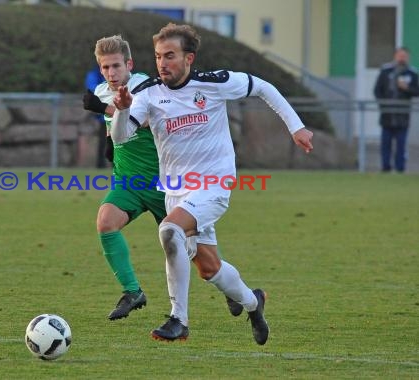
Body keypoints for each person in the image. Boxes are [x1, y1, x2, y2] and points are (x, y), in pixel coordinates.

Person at [111, 23, 314, 344]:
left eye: (170, 56)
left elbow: (263, 87)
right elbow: (120, 137)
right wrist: (122, 111)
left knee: (168, 230)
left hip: (213, 185)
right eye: (158, 56)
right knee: (209, 268)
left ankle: (179, 319)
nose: (162, 63)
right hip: (176, 191)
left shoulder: (214, 84)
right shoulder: (147, 93)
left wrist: (297, 127)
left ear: (189, 58)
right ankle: (252, 302)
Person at [82, 35, 166, 320]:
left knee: (195, 254)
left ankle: (235, 291)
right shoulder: (102, 89)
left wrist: (103, 109)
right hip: (128, 182)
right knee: (105, 222)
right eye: (105, 68)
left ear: (129, 64)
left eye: (116, 66)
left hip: (163, 184)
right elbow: (114, 125)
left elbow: (141, 120)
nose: (111, 74)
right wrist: (109, 140)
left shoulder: (144, 85)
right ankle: (133, 291)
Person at [373, 47, 419, 173]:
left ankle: (400, 169)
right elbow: (377, 90)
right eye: (400, 55)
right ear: (395, 56)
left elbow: (416, 91)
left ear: (408, 58)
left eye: (404, 56)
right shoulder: (386, 71)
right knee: (385, 144)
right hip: (387, 115)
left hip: (402, 116)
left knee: (401, 145)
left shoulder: (412, 73)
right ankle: (385, 168)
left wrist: (407, 88)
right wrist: (382, 105)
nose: (402, 58)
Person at [85, 63, 108, 168]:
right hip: (103, 116)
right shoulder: (94, 74)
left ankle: (117, 165)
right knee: (103, 141)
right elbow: (93, 89)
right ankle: (100, 165)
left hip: (115, 114)